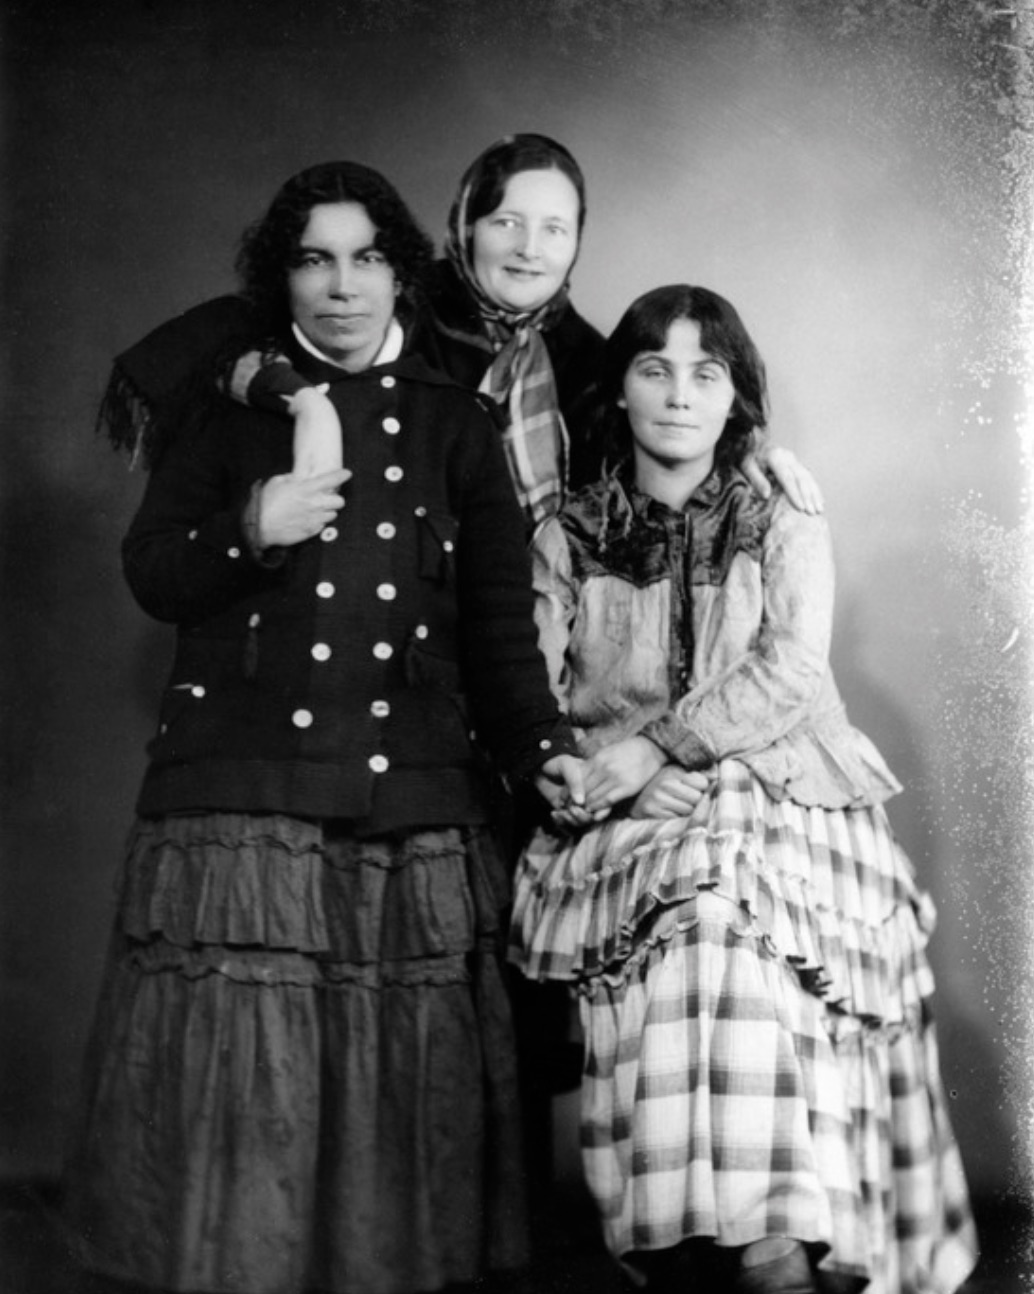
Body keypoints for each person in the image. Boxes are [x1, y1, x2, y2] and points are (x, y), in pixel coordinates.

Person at [63, 160, 588, 1294]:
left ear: (401, 273)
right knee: (245, 1096)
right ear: (282, 278)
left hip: (411, 793)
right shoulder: (222, 415)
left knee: (402, 1124)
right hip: (240, 798)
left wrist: (546, 756)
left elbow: (499, 636)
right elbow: (152, 572)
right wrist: (253, 523)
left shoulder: (462, 424)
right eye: (312, 260)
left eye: (364, 259)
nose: (340, 288)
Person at [508, 285, 978, 1293]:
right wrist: (600, 777)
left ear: (735, 399)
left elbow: (789, 671)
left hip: (779, 785)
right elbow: (535, 695)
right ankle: (686, 1239)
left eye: (704, 373)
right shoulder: (564, 534)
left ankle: (774, 1241)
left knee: (729, 924)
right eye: (652, 368)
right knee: (686, 937)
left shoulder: (777, 512)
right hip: (629, 812)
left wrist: (661, 749)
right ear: (618, 392)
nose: (678, 394)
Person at [100, 135, 823, 524]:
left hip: (526, 615)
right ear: (466, 225)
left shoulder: (590, 357)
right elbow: (265, 318)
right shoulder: (398, 303)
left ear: (578, 241)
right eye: (506, 222)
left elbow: (671, 415)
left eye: (554, 229)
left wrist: (749, 450)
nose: (529, 249)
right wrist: (295, 397)